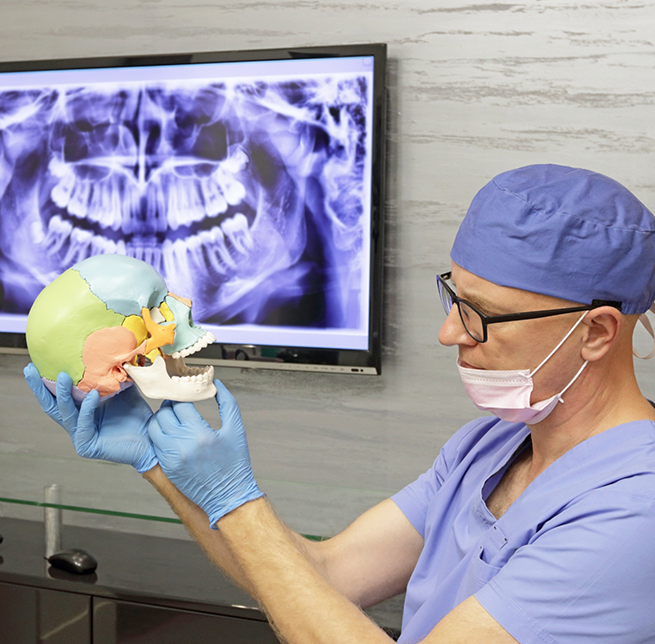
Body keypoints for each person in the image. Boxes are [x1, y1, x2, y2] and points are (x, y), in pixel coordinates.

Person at [25, 164, 655, 644]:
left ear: (597, 332)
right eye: (453, 298)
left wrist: (234, 501)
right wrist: (162, 464)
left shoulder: (635, 512)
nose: (450, 333)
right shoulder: (486, 448)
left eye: (483, 316)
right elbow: (322, 577)